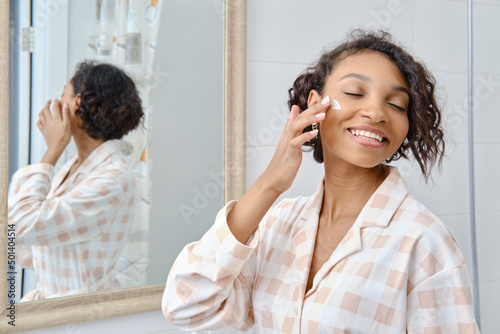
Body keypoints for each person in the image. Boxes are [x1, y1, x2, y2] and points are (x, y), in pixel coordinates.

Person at [162, 30, 480, 333]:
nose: (375, 112)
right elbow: (185, 305)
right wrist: (269, 184)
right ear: (316, 103)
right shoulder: (278, 224)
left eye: (396, 104)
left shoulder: (423, 241)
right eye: (355, 92)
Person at [9, 61, 144, 301]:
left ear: (78, 102)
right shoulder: (73, 169)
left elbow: (20, 226)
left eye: (63, 94)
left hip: (80, 316)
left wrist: (52, 150)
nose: (56, 103)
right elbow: (33, 241)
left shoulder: (114, 179)